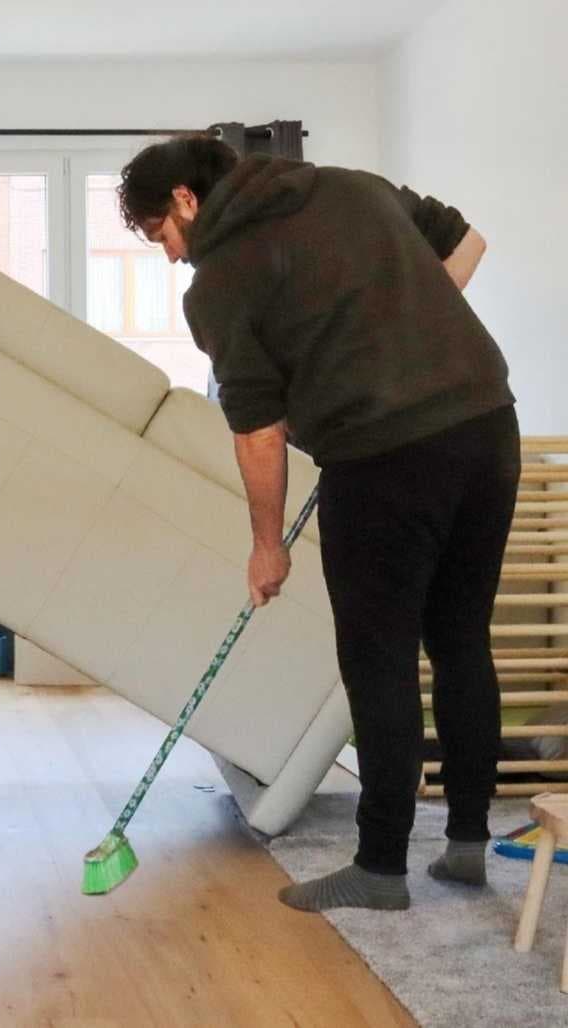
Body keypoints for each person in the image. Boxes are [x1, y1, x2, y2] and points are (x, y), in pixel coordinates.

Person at [117, 134, 519, 912]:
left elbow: (258, 432)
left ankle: (380, 869)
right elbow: (467, 243)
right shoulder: (348, 186)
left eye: (158, 233)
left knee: (380, 661)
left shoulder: (220, 281)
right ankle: (468, 843)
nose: (168, 255)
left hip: (382, 461)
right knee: (461, 641)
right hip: (486, 427)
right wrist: (405, 341)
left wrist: (266, 547)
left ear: (186, 200)